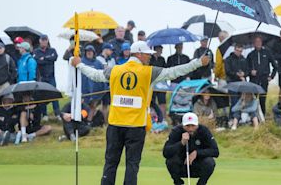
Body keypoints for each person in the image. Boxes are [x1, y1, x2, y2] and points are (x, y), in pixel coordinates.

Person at [70, 41, 210, 185]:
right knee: (132, 165)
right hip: (136, 127)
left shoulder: (115, 70)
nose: (150, 58)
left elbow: (95, 75)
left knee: (110, 164)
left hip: (115, 125)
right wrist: (198, 62)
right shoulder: (148, 72)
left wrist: (79, 65)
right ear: (139, 54)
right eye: (148, 55)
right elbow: (174, 71)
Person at [163, 112, 219, 185]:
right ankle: (178, 182)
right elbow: (166, 152)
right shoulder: (176, 131)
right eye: (187, 126)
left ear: (197, 125)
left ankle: (201, 183)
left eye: (193, 126)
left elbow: (215, 151)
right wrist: (181, 143)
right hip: (181, 166)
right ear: (183, 125)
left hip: (198, 166)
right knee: (170, 161)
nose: (190, 129)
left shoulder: (204, 131)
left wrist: (197, 153)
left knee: (210, 162)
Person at [247, 36, 278, 116]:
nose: (258, 43)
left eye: (259, 41)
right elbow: (246, 68)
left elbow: (275, 66)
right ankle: (253, 117)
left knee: (262, 99)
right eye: (256, 42)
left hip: (264, 79)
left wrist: (271, 76)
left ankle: (262, 117)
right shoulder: (250, 55)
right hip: (254, 80)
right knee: (253, 99)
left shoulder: (267, 52)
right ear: (254, 43)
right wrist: (250, 72)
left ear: (261, 43)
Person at [33, 34, 60, 121]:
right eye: (42, 40)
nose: (44, 41)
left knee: (54, 95)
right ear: (40, 41)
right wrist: (47, 58)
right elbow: (37, 61)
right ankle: (44, 114)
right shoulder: (36, 51)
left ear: (47, 41)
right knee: (42, 96)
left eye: (45, 40)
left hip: (51, 76)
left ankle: (57, 114)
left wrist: (43, 58)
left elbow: (54, 57)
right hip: (42, 77)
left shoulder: (52, 50)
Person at [225, 44, 249, 118]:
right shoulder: (228, 59)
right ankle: (232, 118)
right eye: (237, 50)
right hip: (232, 82)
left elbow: (247, 70)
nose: (239, 52)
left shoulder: (244, 59)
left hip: (241, 83)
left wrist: (244, 74)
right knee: (234, 101)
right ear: (234, 50)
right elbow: (228, 71)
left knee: (241, 101)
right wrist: (237, 74)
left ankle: (238, 118)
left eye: (240, 51)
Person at [96, 43, 116, 123]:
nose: (111, 52)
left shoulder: (112, 60)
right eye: (110, 50)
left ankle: (105, 121)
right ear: (105, 49)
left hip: (109, 84)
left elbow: (114, 70)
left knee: (106, 104)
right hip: (99, 84)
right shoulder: (97, 58)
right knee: (95, 104)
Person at [149, 45, 167, 122]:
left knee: (162, 102)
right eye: (159, 49)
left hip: (161, 84)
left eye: (161, 49)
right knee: (152, 102)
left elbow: (165, 70)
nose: (161, 51)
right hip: (152, 84)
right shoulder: (150, 59)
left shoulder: (162, 59)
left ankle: (163, 119)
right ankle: (152, 118)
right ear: (155, 50)